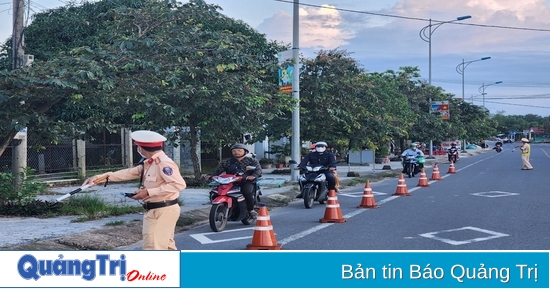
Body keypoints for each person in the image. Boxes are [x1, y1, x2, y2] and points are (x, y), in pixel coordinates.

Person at [82, 130, 186, 250]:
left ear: (140, 148)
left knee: (156, 248)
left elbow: (179, 184)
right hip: (152, 209)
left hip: (164, 210)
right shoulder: (149, 163)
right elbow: (127, 173)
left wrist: (147, 192)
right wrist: (98, 178)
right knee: (160, 246)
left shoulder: (164, 163)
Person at [204, 143, 262, 218]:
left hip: (246, 181)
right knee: (216, 191)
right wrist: (210, 175)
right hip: (231, 181)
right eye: (234, 151)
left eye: (239, 150)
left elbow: (258, 170)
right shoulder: (227, 162)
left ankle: (251, 210)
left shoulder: (252, 161)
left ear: (245, 152)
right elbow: (218, 170)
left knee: (246, 192)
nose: (236, 152)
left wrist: (253, 176)